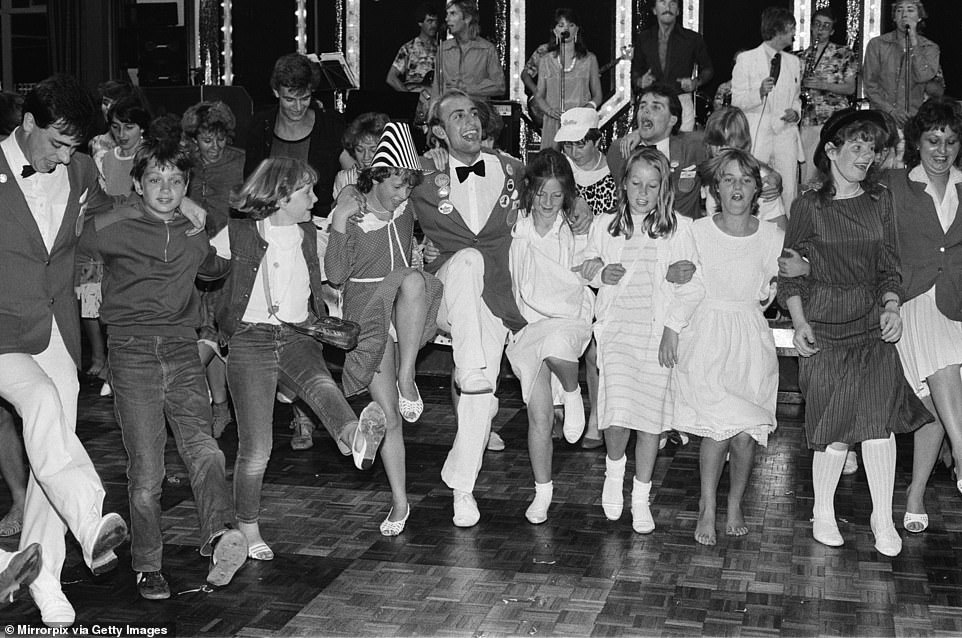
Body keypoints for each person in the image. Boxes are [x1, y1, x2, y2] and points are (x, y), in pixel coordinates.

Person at [77, 129, 247, 600]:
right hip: (130, 352)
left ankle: (218, 535)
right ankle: (148, 564)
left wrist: (205, 222)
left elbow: (215, 268)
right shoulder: (113, 226)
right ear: (138, 184)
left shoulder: (193, 233)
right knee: (147, 471)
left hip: (180, 348)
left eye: (176, 180)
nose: (166, 190)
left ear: (187, 184)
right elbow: (77, 238)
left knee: (206, 449)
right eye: (155, 180)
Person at [0, 74, 129, 627]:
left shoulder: (77, 169)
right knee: (44, 406)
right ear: (27, 124)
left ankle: (44, 576)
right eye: (56, 142)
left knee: (54, 434)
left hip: (54, 326)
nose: (65, 156)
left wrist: (177, 210)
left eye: (74, 145)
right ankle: (92, 515)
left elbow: (106, 208)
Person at [213, 158, 387, 559]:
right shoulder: (237, 232)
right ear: (279, 196)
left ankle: (353, 438)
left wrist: (348, 204)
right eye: (307, 191)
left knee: (322, 385)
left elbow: (346, 240)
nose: (313, 198)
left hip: (296, 333)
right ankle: (248, 526)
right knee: (257, 447)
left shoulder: (310, 230)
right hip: (249, 339)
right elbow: (206, 272)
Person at [776, 108, 931, 557]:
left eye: (872, 148)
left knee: (879, 426)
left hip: (871, 329)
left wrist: (890, 305)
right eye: (856, 147)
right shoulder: (808, 205)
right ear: (831, 150)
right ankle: (822, 510)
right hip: (824, 329)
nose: (866, 156)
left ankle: (882, 517)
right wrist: (799, 323)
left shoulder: (881, 200)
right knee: (835, 427)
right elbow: (790, 275)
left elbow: (889, 268)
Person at [410, 89, 526, 527]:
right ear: (439, 131)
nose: (470, 121)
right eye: (456, 116)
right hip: (444, 297)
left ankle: (462, 489)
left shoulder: (512, 168)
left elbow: (558, 196)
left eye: (473, 113)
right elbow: (365, 188)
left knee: (479, 395)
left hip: (496, 299)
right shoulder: (420, 172)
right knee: (469, 258)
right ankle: (472, 369)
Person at [574, 146, 703, 534]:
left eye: (652, 185)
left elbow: (694, 287)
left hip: (655, 335)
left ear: (664, 187)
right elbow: (585, 266)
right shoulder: (605, 226)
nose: (643, 193)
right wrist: (598, 272)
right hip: (617, 333)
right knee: (616, 413)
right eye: (635, 184)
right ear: (624, 184)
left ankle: (641, 496)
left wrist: (671, 328)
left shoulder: (678, 228)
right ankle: (614, 476)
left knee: (650, 419)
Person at [326, 122, 443, 536]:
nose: (402, 196)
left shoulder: (407, 207)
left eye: (408, 188)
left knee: (412, 278)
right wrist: (340, 218)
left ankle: (408, 376)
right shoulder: (353, 211)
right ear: (376, 176)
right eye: (396, 187)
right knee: (390, 415)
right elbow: (335, 274)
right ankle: (399, 501)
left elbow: (438, 182)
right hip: (367, 311)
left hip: (406, 307)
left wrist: (440, 155)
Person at [673, 148, 783, 545]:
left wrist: (796, 273)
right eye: (729, 179)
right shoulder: (697, 231)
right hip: (707, 336)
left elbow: (780, 283)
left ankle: (735, 501)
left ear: (757, 189)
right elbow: (680, 282)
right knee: (717, 430)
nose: (737, 187)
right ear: (715, 188)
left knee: (744, 433)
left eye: (746, 180)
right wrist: (672, 326)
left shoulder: (771, 236)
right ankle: (707, 504)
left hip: (750, 340)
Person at [882, 97, 962, 534]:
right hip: (909, 299)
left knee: (933, 405)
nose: (942, 149)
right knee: (943, 363)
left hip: (957, 303)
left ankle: (915, 493)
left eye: (951, 141)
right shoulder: (894, 183)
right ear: (916, 141)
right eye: (933, 140)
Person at [506, 149, 593, 523]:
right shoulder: (517, 224)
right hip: (528, 325)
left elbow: (593, 266)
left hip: (569, 315)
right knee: (538, 415)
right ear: (530, 190)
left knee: (559, 347)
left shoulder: (576, 227)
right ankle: (542, 492)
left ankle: (573, 394)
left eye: (556, 195)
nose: (547, 202)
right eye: (540, 193)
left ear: (568, 195)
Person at [182, 101, 246, 438]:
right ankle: (219, 407)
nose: (216, 147)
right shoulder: (185, 163)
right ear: (194, 139)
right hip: (193, 257)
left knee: (224, 330)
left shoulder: (241, 160)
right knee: (203, 326)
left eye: (221, 139)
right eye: (207, 140)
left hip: (231, 255)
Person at [555, 107, 616, 449]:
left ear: (596, 140)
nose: (574, 152)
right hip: (569, 268)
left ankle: (598, 417)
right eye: (569, 145)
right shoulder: (563, 175)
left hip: (603, 269)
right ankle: (560, 409)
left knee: (597, 351)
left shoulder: (617, 171)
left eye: (580, 144)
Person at [245, 53, 345, 216]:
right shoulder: (261, 125)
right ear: (276, 92)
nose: (298, 107)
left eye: (305, 98)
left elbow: (354, 173)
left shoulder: (330, 125)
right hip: (270, 220)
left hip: (318, 220)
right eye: (290, 100)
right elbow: (251, 184)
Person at [732, 6, 802, 213]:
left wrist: (795, 113)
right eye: (791, 29)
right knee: (756, 185)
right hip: (757, 134)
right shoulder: (746, 59)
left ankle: (789, 235)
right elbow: (736, 101)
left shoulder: (794, 62)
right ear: (778, 30)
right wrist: (759, 92)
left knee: (788, 189)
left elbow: (796, 98)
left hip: (785, 133)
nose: (794, 34)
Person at [607, 83, 707, 220]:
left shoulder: (693, 146)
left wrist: (639, 132)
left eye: (656, 107)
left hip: (683, 234)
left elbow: (729, 140)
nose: (646, 111)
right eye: (642, 106)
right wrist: (640, 133)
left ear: (672, 119)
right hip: (637, 234)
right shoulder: (622, 151)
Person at [794, 9, 857, 183]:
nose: (820, 29)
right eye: (817, 24)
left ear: (832, 31)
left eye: (826, 26)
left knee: (836, 170)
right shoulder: (799, 57)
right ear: (811, 27)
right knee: (808, 172)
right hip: (809, 119)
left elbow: (851, 88)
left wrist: (823, 85)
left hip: (836, 119)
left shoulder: (844, 53)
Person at [632, 0, 714, 133]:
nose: (668, 7)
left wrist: (695, 82)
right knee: (652, 151)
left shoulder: (692, 39)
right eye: (663, 2)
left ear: (678, 11)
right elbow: (635, 72)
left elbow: (708, 69)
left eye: (672, 3)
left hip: (681, 100)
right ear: (654, 9)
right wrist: (640, 81)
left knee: (680, 150)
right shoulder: (644, 39)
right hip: (652, 100)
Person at [701, 106, 786, 229]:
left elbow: (780, 231)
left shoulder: (762, 181)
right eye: (715, 143)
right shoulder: (711, 171)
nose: (720, 150)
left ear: (742, 143)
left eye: (726, 144)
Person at [863, 0, 943, 129]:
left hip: (915, 119)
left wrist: (914, 42)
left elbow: (923, 76)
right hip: (882, 118)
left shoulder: (930, 48)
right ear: (894, 17)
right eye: (899, 10)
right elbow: (870, 85)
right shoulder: (877, 44)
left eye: (910, 10)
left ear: (919, 17)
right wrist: (891, 111)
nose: (904, 14)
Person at [532, 8, 602, 149]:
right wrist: (549, 110)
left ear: (577, 30)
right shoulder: (546, 60)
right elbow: (539, 96)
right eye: (561, 25)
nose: (566, 29)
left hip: (580, 123)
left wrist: (586, 110)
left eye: (571, 25)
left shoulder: (589, 59)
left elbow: (598, 96)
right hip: (553, 121)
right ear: (554, 30)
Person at [432, 0, 505, 100]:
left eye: (452, 14)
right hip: (449, 111)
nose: (447, 19)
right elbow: (436, 88)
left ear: (467, 18)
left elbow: (499, 86)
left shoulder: (486, 49)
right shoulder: (444, 49)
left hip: (476, 110)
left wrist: (467, 89)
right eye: (447, 14)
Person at [385, 3, 440, 124]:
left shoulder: (442, 49)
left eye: (436, 22)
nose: (434, 25)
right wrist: (410, 99)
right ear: (420, 23)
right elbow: (391, 78)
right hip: (415, 101)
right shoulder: (408, 48)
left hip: (435, 101)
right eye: (430, 21)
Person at [333, 111, 390, 200]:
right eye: (360, 150)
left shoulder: (395, 176)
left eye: (373, 150)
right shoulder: (343, 179)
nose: (366, 157)